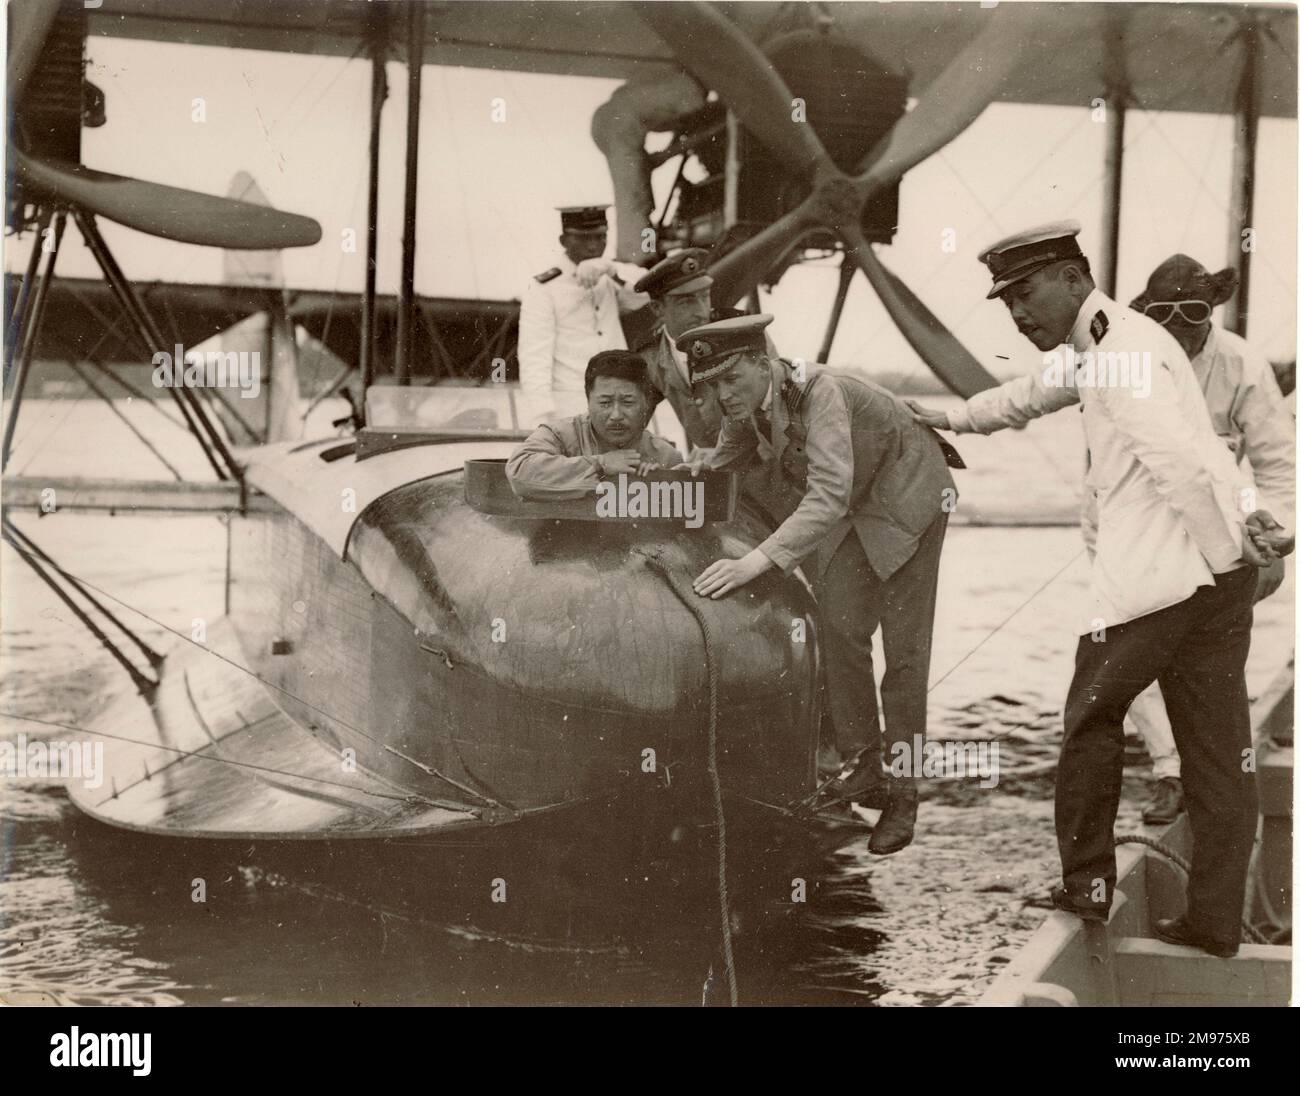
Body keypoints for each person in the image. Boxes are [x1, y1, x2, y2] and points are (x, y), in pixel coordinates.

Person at [911, 221, 1287, 956]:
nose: (1016, 313)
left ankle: (1086, 881)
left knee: (1089, 718)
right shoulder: (1114, 342)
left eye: (1025, 292)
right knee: (1218, 754)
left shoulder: (1119, 352)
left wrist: (1219, 551)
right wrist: (949, 416)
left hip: (1162, 584)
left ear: (1074, 280)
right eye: (1006, 301)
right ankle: (1212, 925)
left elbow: (1177, 457)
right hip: (1214, 584)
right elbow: (1028, 396)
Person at [676, 314, 962, 855]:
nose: (722, 395)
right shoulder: (748, 406)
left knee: (904, 656)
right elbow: (722, 467)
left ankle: (904, 794)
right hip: (856, 505)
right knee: (837, 629)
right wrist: (670, 482)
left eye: (732, 379)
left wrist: (755, 562)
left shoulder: (821, 391)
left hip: (909, 497)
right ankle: (865, 765)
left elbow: (827, 495)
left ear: (764, 364)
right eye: (711, 384)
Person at [635, 249, 784, 454]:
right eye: (686, 302)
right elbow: (632, 417)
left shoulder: (743, 333)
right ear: (657, 309)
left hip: (766, 457)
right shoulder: (651, 357)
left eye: (705, 296)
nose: (701, 310)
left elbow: (779, 401)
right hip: (713, 468)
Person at [506, 350, 681, 500]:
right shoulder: (561, 434)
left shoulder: (665, 455)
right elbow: (519, 471)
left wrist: (660, 479)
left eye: (628, 402)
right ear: (588, 401)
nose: (616, 415)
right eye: (605, 403)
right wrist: (599, 464)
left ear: (646, 403)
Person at [517, 206, 650, 394]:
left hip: (619, 392)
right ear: (563, 241)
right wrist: (541, 414)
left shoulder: (610, 275)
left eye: (600, 237)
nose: (593, 246)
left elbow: (649, 291)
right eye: (584, 238)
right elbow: (535, 357)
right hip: (571, 395)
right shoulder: (544, 288)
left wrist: (611, 269)